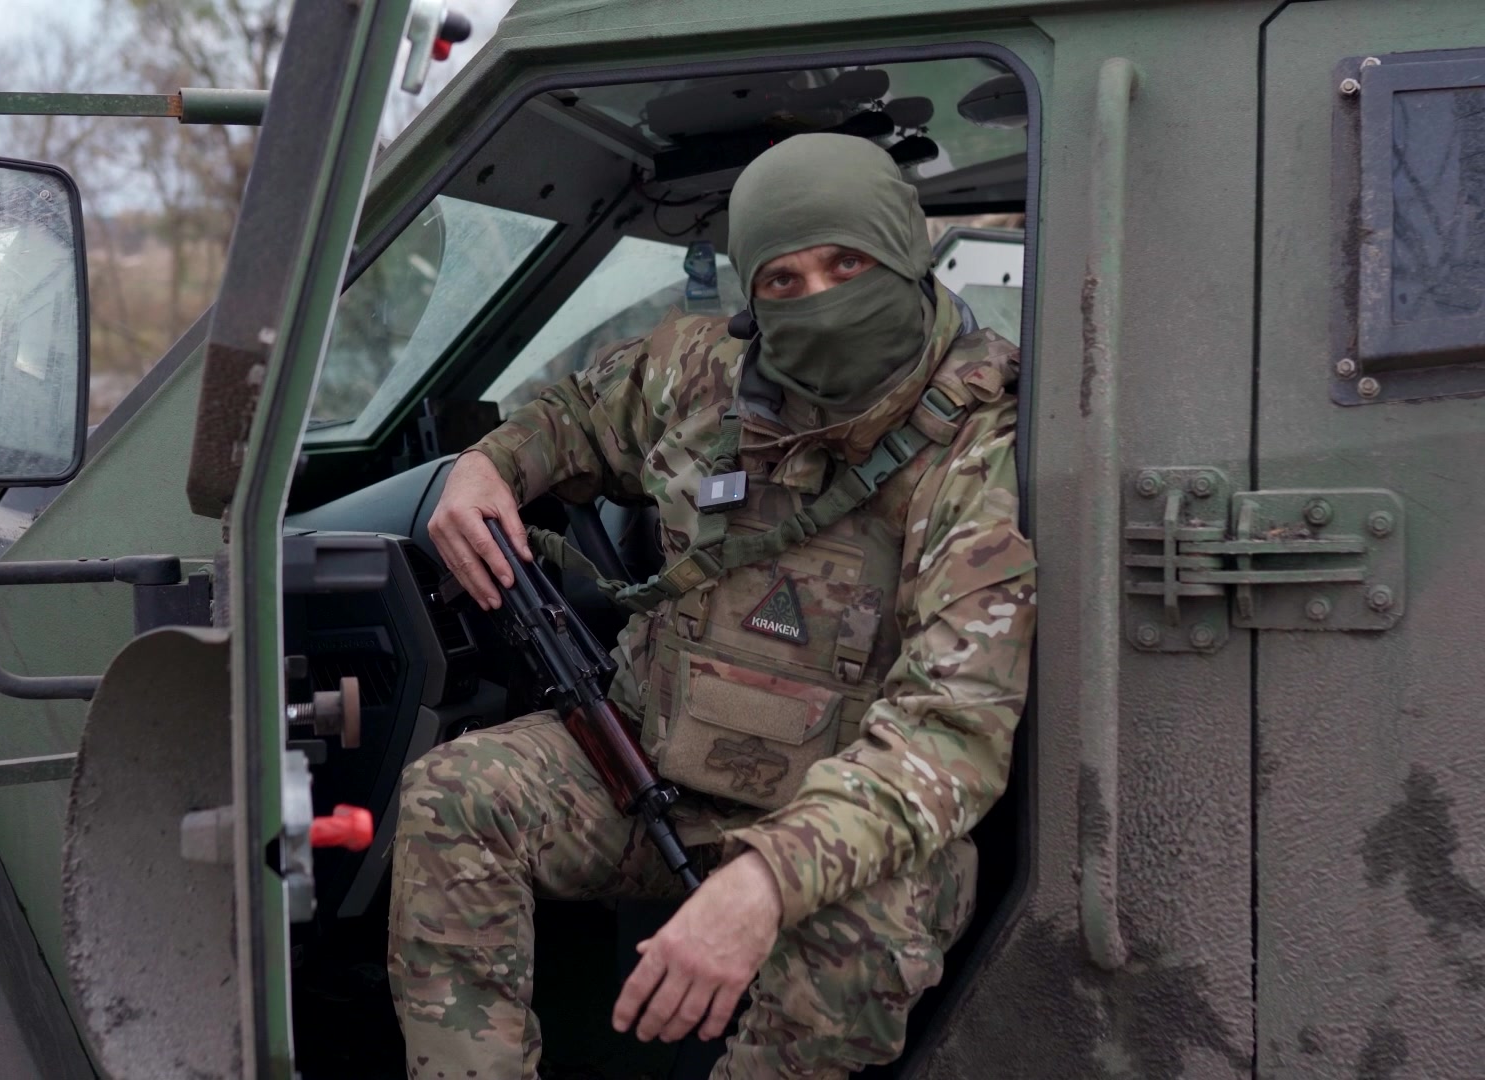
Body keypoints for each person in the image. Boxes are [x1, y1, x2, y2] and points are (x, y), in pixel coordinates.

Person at [388, 132, 1035, 1079]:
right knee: (453, 800)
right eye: (783, 279)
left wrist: (766, 881)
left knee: (871, 933)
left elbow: (952, 737)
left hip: (841, 822)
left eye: (847, 263)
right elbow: (576, 414)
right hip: (654, 770)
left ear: (905, 254)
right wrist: (487, 468)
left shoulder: (979, 452)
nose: (819, 298)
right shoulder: (704, 374)